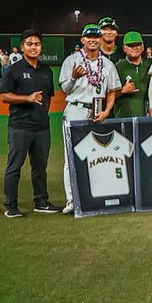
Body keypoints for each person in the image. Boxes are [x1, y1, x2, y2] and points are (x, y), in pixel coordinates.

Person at [58, 23, 121, 214]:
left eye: (96, 37)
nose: (93, 40)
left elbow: (112, 92)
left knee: (95, 154)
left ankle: (94, 195)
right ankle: (71, 199)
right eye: (89, 37)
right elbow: (64, 89)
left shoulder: (108, 64)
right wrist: (74, 77)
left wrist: (107, 111)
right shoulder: (72, 61)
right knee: (71, 157)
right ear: (82, 40)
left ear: (101, 40)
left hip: (98, 111)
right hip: (76, 109)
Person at [0, 30, 59, 217]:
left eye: (37, 44)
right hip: (20, 126)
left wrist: (43, 116)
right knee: (14, 166)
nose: (34, 47)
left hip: (41, 127)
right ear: (23, 46)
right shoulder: (13, 70)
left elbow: (48, 98)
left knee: (40, 167)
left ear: (41, 47)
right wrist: (27, 98)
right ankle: (10, 206)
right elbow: (4, 96)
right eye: (30, 44)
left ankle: (41, 202)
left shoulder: (46, 71)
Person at [112, 31, 151, 119]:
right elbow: (107, 95)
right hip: (123, 118)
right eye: (130, 46)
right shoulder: (117, 67)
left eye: (137, 45)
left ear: (143, 47)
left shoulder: (150, 66)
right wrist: (122, 91)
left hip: (147, 119)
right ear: (124, 48)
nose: (134, 48)